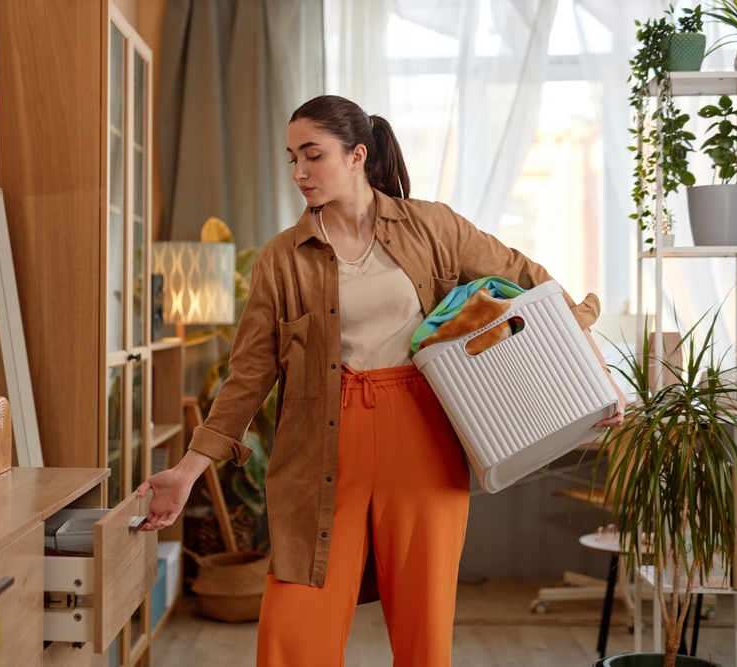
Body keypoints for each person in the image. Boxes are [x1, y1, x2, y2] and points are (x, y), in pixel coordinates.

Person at [136, 94, 626, 666]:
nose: (299, 172)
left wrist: (597, 375)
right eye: (292, 158)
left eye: (312, 155)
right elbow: (249, 375)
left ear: (356, 156)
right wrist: (187, 471)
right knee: (294, 627)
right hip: (318, 444)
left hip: (422, 434)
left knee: (423, 625)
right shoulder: (282, 259)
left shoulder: (433, 227)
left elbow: (532, 284)